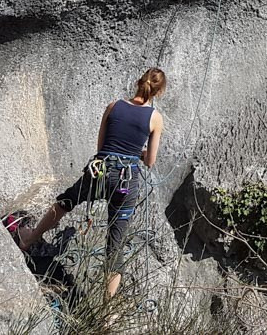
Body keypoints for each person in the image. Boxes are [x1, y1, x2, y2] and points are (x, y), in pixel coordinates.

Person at [18, 68, 167, 300]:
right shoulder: (155, 118)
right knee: (115, 243)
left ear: (138, 83)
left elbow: (101, 148)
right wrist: (136, 153)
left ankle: (29, 238)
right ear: (159, 91)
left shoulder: (114, 106)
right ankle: (105, 313)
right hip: (126, 181)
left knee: (66, 201)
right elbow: (150, 161)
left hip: (100, 170)